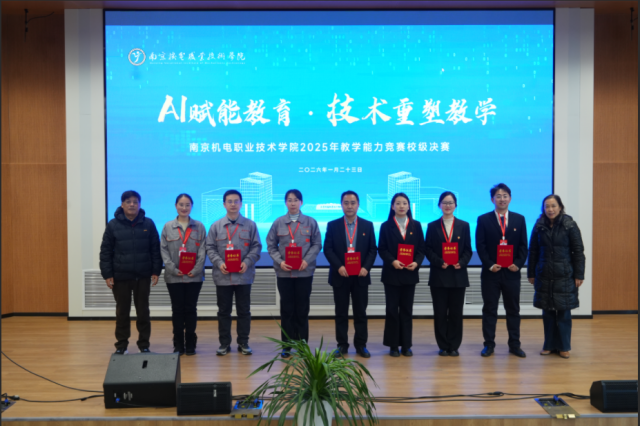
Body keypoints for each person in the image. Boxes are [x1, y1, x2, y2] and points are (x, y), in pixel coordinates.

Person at [99, 190, 162, 354]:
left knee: (143, 313)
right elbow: (105, 251)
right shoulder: (113, 225)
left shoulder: (148, 224)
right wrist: (107, 274)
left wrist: (156, 271)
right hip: (120, 276)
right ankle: (121, 346)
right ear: (122, 204)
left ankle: (144, 345)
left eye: (135, 202)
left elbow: (155, 249)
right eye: (128, 202)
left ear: (139, 204)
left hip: (143, 276)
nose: (132, 204)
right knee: (122, 313)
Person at [527, 195, 585, 359]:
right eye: (547, 206)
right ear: (543, 208)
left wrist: (579, 274)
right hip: (544, 274)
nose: (550, 209)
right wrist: (531, 273)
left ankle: (564, 347)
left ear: (560, 207)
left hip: (564, 275)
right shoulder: (539, 225)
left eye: (553, 206)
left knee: (564, 312)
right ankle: (549, 345)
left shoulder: (569, 225)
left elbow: (578, 251)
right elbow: (533, 251)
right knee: (548, 312)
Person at [206, 190, 262, 356]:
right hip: (223, 276)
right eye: (229, 201)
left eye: (236, 201)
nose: (233, 204)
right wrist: (219, 263)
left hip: (243, 276)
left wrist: (247, 262)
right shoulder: (216, 226)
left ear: (241, 204)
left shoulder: (250, 225)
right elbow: (210, 248)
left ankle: (243, 342)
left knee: (244, 311)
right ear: (224, 204)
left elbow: (256, 247)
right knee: (224, 312)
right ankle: (224, 343)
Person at [266, 189, 322, 358]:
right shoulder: (278, 223)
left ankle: (302, 345)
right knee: (287, 309)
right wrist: (280, 261)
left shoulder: (310, 222)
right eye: (289, 200)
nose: (292, 203)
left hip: (304, 273)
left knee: (302, 309)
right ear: (285, 203)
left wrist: (307, 260)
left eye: (296, 200)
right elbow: (271, 245)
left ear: (301, 202)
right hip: (284, 273)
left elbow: (317, 244)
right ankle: (287, 345)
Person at [475, 183, 529, 358]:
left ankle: (515, 345)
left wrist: (518, 264)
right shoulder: (483, 219)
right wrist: (490, 264)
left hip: (512, 273)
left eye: (505, 196)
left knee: (513, 310)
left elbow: (523, 246)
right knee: (489, 310)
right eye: (498, 196)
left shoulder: (519, 219)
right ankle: (489, 345)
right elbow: (480, 246)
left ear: (510, 198)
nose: (502, 199)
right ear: (492, 199)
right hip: (491, 273)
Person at [323, 190, 378, 358]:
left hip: (360, 276)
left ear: (358, 205)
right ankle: (342, 345)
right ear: (341, 205)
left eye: (353, 203)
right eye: (346, 203)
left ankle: (361, 345)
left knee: (360, 312)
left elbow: (372, 249)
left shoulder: (367, 225)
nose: (349, 206)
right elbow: (328, 249)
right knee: (341, 313)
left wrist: (366, 267)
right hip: (341, 276)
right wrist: (339, 266)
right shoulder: (333, 225)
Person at [424, 191, 472, 357]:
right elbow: (427, 249)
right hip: (439, 275)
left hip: (458, 275)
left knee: (456, 313)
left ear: (456, 205)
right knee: (440, 313)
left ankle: (454, 345)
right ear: (439, 205)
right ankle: (443, 345)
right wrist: (439, 262)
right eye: (444, 202)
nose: (448, 205)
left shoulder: (464, 225)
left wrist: (462, 262)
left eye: (451, 202)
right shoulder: (432, 226)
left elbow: (468, 250)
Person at [378, 193, 426, 357]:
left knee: (406, 310)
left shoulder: (416, 225)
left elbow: (421, 249)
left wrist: (417, 263)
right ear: (392, 206)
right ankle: (393, 345)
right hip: (392, 274)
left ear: (409, 206)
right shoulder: (386, 226)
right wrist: (392, 261)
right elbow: (382, 249)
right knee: (392, 310)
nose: (401, 206)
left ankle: (406, 345)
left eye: (404, 203)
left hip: (409, 274)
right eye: (398, 203)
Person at [160, 193, 207, 356]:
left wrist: (196, 270)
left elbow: (203, 250)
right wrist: (173, 269)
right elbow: (163, 250)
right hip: (174, 277)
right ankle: (178, 343)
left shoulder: (199, 226)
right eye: (181, 204)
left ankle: (191, 342)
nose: (184, 208)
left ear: (192, 207)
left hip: (194, 276)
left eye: (187, 205)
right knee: (177, 310)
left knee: (191, 309)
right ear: (176, 206)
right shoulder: (168, 227)